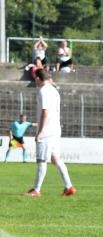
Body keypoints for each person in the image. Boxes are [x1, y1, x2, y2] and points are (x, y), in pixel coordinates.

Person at [23, 69, 76, 197]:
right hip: (55, 129)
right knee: (56, 159)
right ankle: (69, 186)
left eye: (35, 77)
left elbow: (45, 112)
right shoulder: (54, 90)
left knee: (41, 160)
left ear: (38, 78)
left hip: (47, 131)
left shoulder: (43, 91)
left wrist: (40, 132)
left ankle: (36, 189)